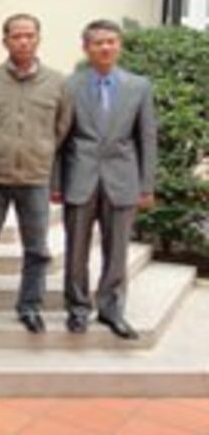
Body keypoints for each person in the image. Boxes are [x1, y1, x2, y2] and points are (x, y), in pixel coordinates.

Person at [0, 14, 72, 333]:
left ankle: (30, 306)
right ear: (5, 41)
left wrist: (41, 150)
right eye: (17, 36)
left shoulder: (59, 83)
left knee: (37, 249)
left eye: (30, 35)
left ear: (38, 39)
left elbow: (62, 127)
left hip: (35, 178)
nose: (23, 41)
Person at [56, 19, 157, 340]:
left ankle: (112, 309)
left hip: (122, 178)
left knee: (117, 251)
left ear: (119, 46)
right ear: (86, 48)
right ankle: (77, 308)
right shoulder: (69, 85)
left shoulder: (138, 86)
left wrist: (146, 185)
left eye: (111, 41)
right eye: (98, 42)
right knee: (76, 251)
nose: (105, 47)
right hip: (79, 175)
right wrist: (56, 183)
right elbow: (58, 138)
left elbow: (147, 138)